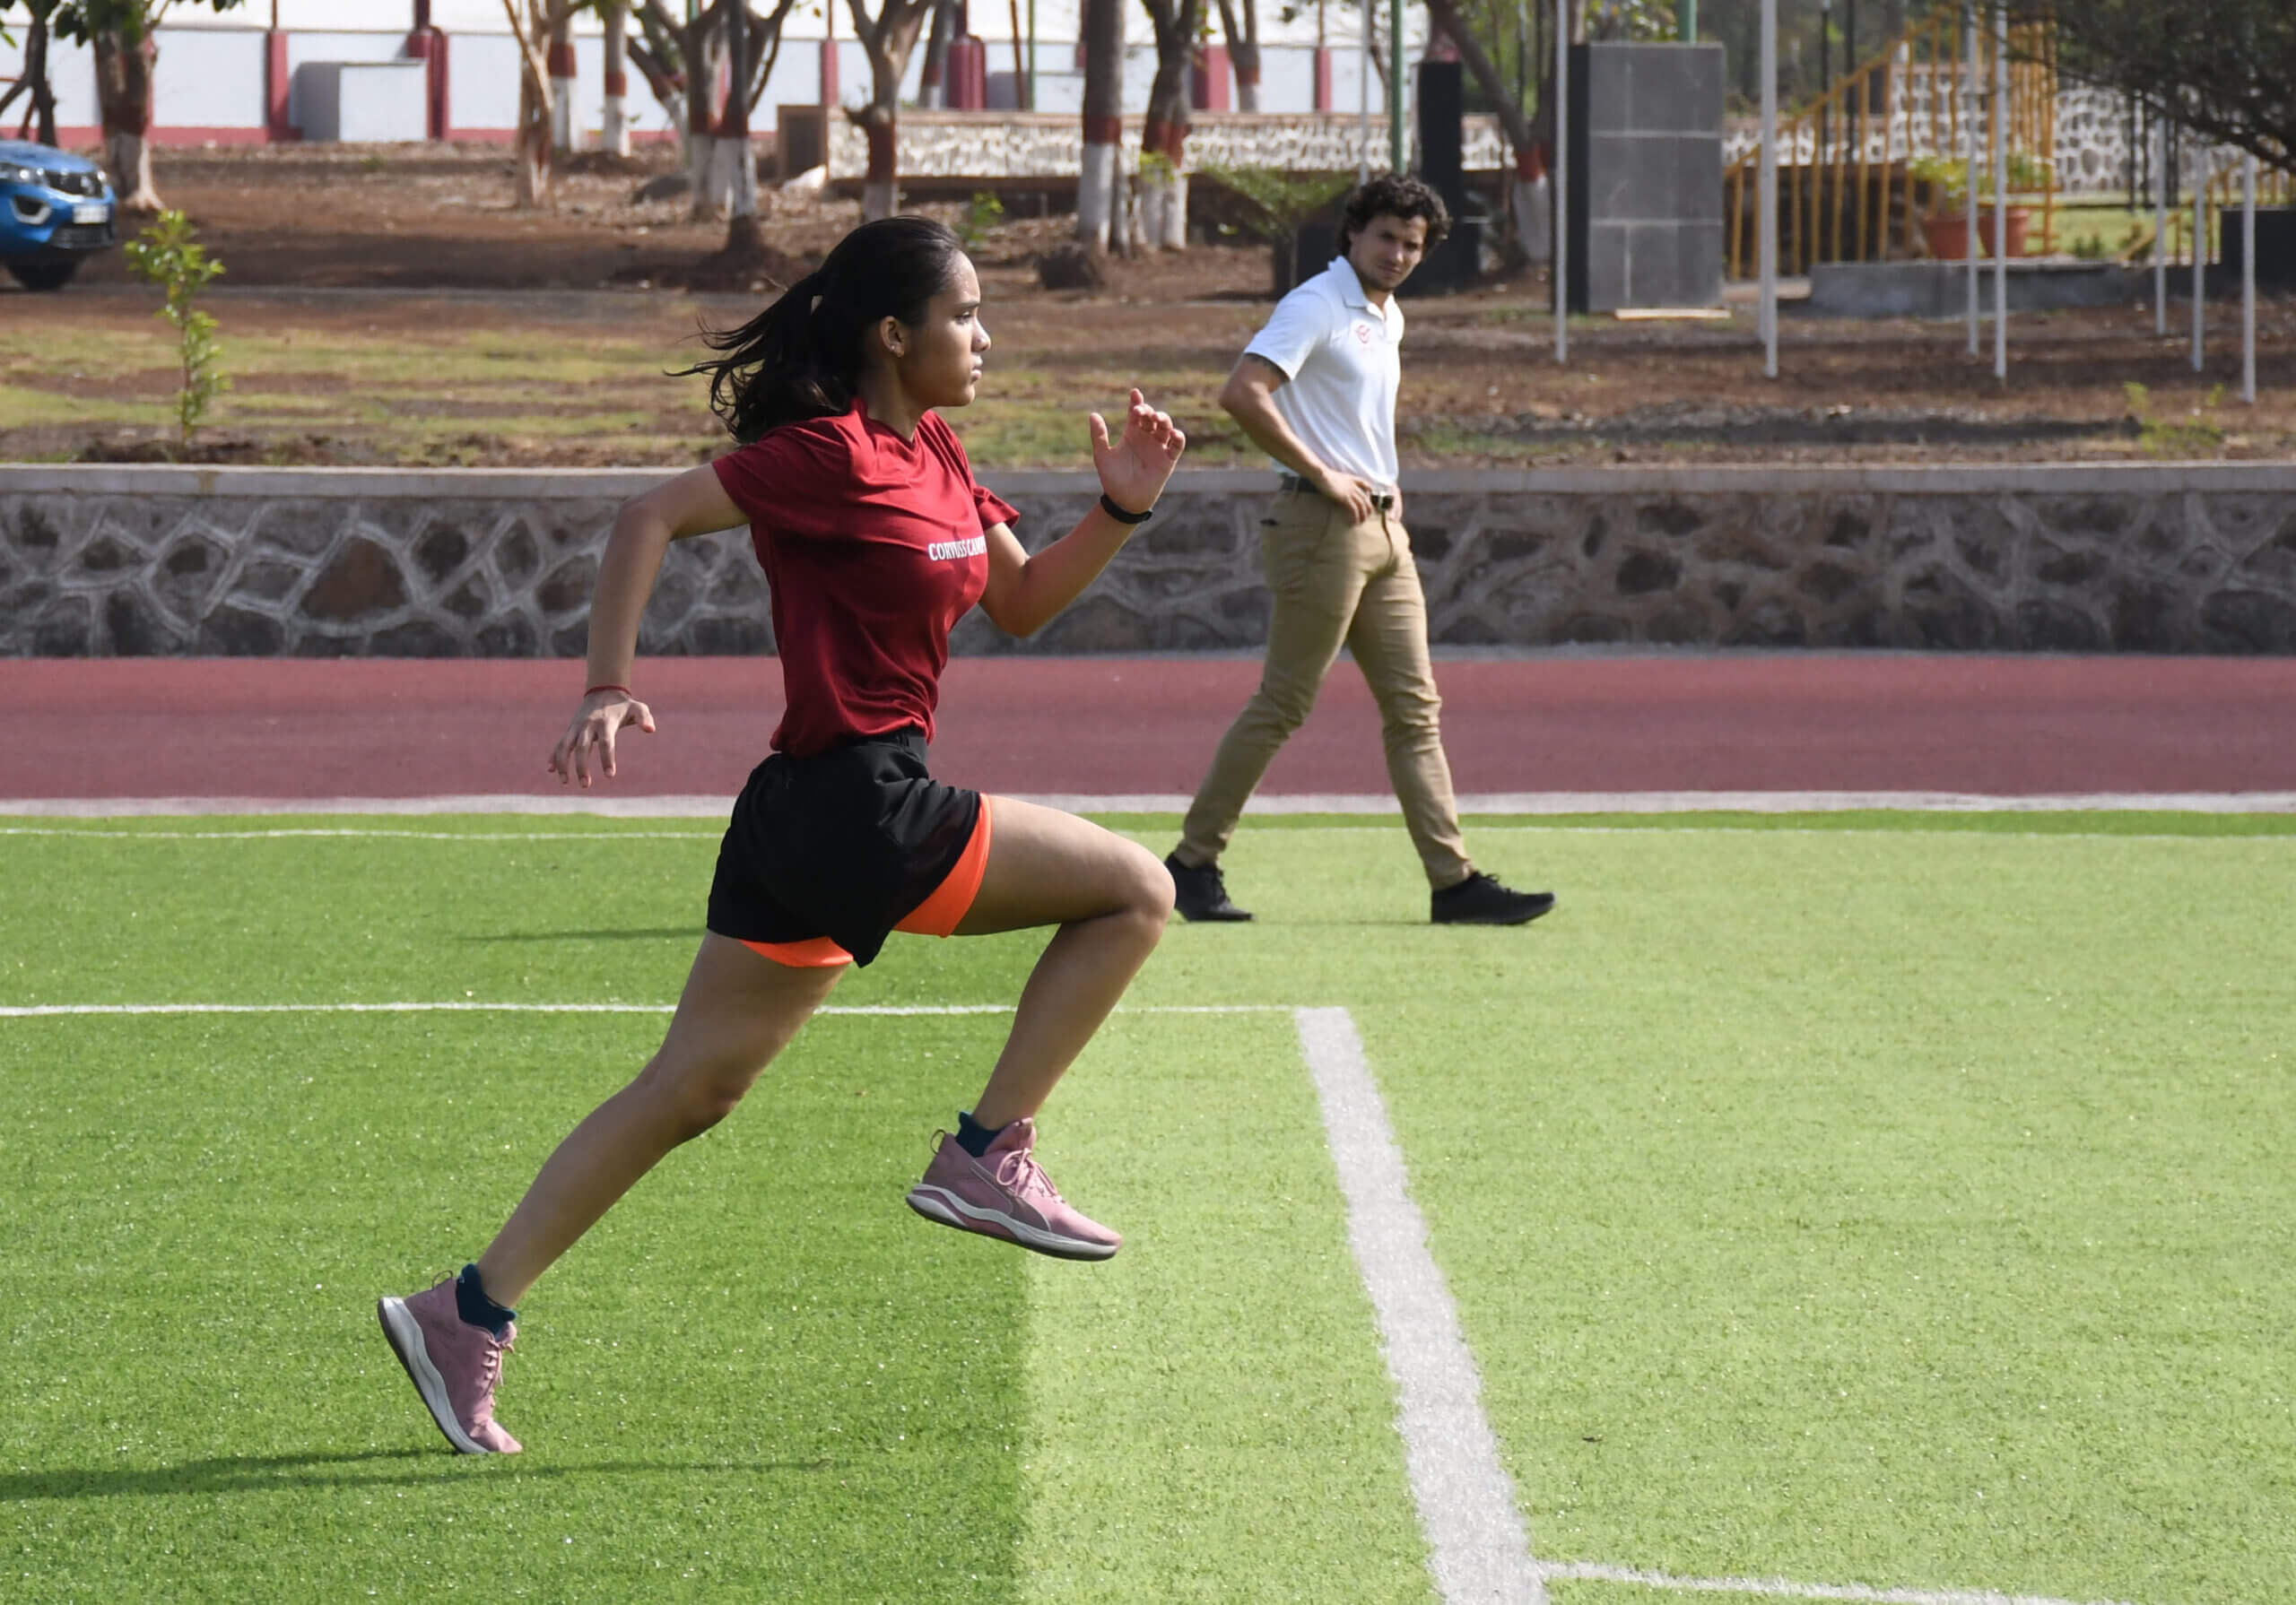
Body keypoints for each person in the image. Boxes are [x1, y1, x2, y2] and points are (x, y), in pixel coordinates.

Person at [377, 216, 1186, 1456]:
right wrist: (605, 682)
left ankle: (466, 1311)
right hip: (856, 803)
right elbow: (647, 515)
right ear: (894, 334)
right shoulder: (826, 456)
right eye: (965, 314)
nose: (985, 335)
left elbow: (1020, 602)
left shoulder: (943, 452)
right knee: (1136, 890)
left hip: (810, 813)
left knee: (693, 1087)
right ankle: (986, 1153)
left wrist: (1118, 509)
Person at [1163, 175, 1553, 928]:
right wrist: (1321, 472)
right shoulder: (1316, 304)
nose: (1399, 254)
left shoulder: (1388, 315)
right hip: (1319, 525)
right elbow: (1242, 392)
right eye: (1387, 237)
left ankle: (1455, 883)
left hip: (1380, 528)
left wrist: (1384, 480)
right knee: (1284, 704)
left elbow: (1355, 416)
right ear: (1353, 234)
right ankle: (1191, 863)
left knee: (1416, 710)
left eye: (1413, 244)